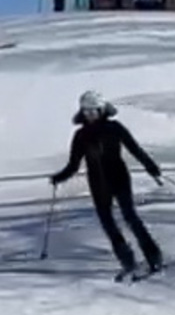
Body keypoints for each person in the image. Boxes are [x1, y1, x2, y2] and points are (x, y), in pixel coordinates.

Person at [49, 91, 165, 280]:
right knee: (108, 224)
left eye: (93, 111)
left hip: (118, 178)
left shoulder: (114, 128)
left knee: (130, 217)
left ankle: (154, 257)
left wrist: (151, 168)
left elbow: (135, 149)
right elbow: (74, 165)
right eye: (86, 111)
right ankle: (128, 263)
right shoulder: (81, 135)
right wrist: (59, 177)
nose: (90, 115)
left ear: (102, 110)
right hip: (97, 183)